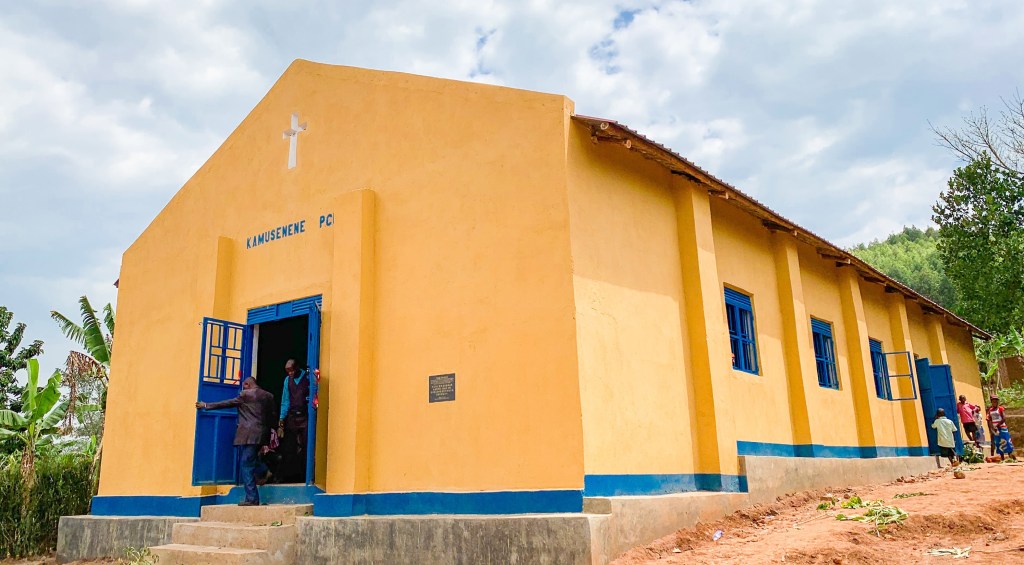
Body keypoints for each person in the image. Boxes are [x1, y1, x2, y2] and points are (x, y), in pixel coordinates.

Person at [196, 377, 276, 505]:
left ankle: (252, 498)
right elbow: (272, 415)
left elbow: (227, 403)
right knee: (251, 458)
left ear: (247, 384)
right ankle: (264, 470)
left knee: (246, 464)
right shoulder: (268, 396)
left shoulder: (245, 395)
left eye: (244, 386)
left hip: (249, 434)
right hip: (263, 434)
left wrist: (206, 405)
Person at [277, 359, 310, 483]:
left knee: (306, 446)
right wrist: (281, 420)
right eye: (288, 371)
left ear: (297, 368)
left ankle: (306, 476)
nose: (290, 373)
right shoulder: (287, 380)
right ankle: (290, 476)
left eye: (292, 370)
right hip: (292, 416)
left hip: (305, 416)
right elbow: (285, 400)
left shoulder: (307, 377)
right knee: (290, 447)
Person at [986, 395, 1016, 461]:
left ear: (997, 402)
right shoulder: (990, 410)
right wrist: (992, 428)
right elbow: (989, 420)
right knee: (998, 443)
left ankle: (1012, 457)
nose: (994, 402)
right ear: (991, 402)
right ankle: (1002, 459)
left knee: (1006, 442)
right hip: (995, 430)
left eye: (996, 401)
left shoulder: (1000, 409)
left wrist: (998, 425)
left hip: (1002, 428)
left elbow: (1004, 418)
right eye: (993, 401)